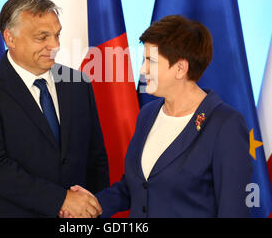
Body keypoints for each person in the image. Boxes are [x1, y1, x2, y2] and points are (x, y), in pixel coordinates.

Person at [66, 15, 253, 217]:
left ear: (180, 68)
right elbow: (135, 188)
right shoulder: (148, 114)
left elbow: (233, 210)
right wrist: (90, 204)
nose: (142, 69)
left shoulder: (225, 124)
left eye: (150, 61)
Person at [0, 0, 109, 218]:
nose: (55, 45)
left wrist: (92, 210)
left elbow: (95, 157)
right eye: (42, 37)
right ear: (10, 38)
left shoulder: (77, 83)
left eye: (57, 35)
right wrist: (61, 200)